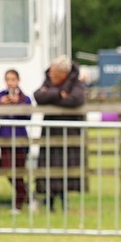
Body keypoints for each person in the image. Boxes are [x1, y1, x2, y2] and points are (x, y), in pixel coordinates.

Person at [33, 55, 87, 210]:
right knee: (48, 166)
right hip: (50, 132)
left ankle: (64, 202)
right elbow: (38, 95)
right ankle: (49, 201)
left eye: (54, 74)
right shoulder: (48, 80)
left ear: (63, 75)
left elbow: (76, 100)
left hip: (69, 134)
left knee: (65, 168)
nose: (50, 76)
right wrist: (59, 94)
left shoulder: (76, 83)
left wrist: (50, 95)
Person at [0, 69, 32, 211]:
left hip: (20, 140)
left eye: (13, 79)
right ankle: (28, 197)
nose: (10, 82)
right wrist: (0, 106)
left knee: (19, 171)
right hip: (5, 138)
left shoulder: (25, 99)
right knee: (8, 170)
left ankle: (19, 204)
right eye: (8, 79)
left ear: (18, 81)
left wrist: (18, 104)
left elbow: (28, 117)